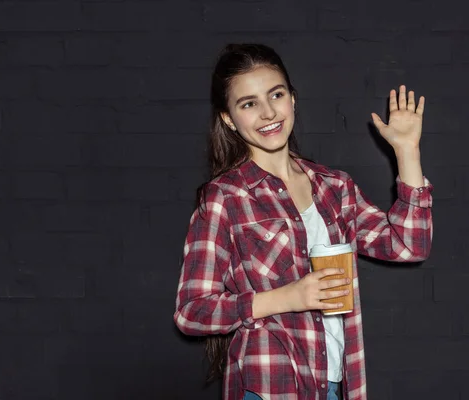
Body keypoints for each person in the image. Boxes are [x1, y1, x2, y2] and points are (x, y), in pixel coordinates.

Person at [173, 43, 433, 400]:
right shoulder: (225, 197)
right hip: (268, 387)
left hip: (336, 386)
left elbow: (409, 246)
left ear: (292, 98)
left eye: (275, 95)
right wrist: (289, 297)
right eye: (249, 104)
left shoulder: (335, 187)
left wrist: (407, 153)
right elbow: (192, 312)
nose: (268, 113)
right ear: (229, 119)